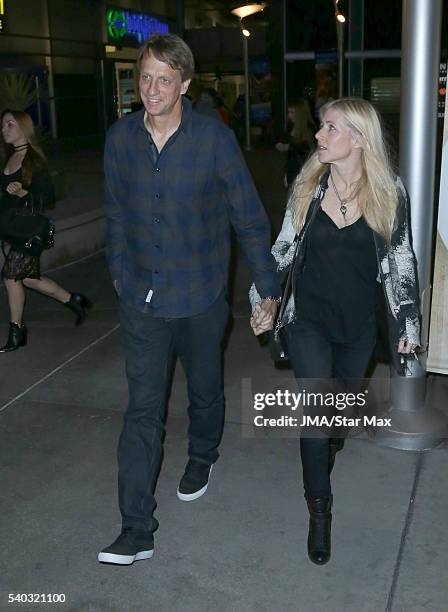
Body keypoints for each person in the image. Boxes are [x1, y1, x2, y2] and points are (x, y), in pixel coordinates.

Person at [99, 33, 279, 565]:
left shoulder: (213, 141)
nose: (151, 88)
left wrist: (266, 288)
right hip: (141, 302)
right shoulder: (119, 140)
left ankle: (202, 456)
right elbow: (113, 214)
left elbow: (248, 217)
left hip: (200, 296)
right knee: (142, 412)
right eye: (145, 76)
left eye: (163, 78)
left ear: (184, 84)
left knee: (204, 390)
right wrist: (119, 272)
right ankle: (136, 527)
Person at [250, 97, 420, 565]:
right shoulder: (307, 187)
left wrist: (407, 322)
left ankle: (333, 434)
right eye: (322, 128)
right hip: (309, 320)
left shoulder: (389, 192)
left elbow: (401, 259)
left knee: (338, 408)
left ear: (359, 139)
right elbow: (281, 251)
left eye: (330, 129)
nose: (319, 136)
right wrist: (263, 300)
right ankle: (319, 513)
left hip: (359, 325)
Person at [0, 110, 91, 353]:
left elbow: (48, 198)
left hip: (30, 230)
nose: (4, 129)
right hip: (14, 229)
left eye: (10, 124)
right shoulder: (8, 158)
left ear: (23, 127)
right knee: (28, 278)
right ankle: (73, 301)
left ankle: (17, 331)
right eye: (3, 125)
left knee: (11, 277)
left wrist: (23, 193)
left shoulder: (34, 160)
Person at [275, 98, 316, 188]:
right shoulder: (292, 127)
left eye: (292, 112)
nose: (289, 116)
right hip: (293, 171)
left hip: (304, 173)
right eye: (289, 112)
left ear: (300, 114)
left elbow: (310, 150)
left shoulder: (309, 129)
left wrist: (289, 147)